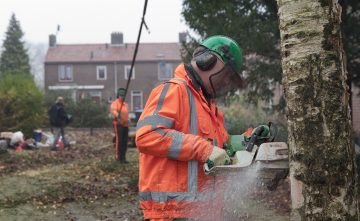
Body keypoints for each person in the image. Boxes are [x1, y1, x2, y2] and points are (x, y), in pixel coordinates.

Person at [135, 35, 244, 220]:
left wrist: (248, 141)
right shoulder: (174, 90)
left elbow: (223, 147)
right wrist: (203, 149)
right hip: (171, 213)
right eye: (226, 75)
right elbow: (147, 135)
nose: (225, 83)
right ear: (208, 62)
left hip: (201, 213)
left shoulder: (210, 108)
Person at [110, 88, 129, 163]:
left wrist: (128, 119)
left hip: (125, 125)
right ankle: (118, 158)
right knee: (119, 141)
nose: (122, 97)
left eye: (123, 96)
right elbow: (113, 111)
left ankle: (123, 158)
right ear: (118, 96)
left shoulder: (125, 105)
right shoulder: (115, 103)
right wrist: (118, 115)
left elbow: (126, 114)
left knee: (125, 141)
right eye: (121, 95)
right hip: (118, 125)